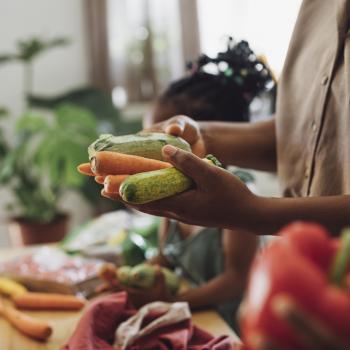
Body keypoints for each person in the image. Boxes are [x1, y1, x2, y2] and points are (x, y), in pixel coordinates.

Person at [105, 0, 350, 348]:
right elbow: (312, 134)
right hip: (302, 299)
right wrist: (204, 136)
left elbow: (236, 277)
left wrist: (253, 212)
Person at [103, 40, 276, 331]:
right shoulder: (169, 194)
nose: (147, 153)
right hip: (193, 316)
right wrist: (131, 278)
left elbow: (237, 279)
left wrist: (174, 302)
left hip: (233, 325)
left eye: (157, 143)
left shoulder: (241, 195)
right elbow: (165, 260)